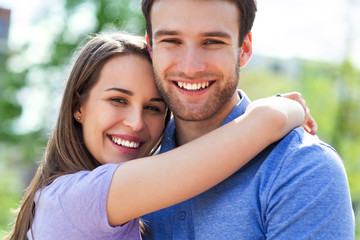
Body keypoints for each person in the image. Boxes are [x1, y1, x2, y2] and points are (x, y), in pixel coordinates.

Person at [6, 32, 309, 240]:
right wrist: (286, 107)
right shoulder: (78, 199)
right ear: (78, 106)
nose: (136, 123)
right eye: (118, 100)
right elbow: (264, 122)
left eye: (153, 107)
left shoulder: (69, 199)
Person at [141, 0, 355, 239]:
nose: (191, 67)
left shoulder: (303, 168)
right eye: (171, 41)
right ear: (151, 48)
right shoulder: (131, 158)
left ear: (244, 49)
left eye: (212, 42)